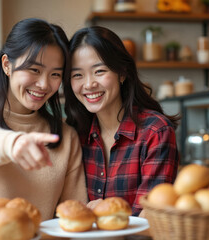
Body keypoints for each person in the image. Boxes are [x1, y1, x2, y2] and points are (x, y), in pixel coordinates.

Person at [0, 18, 87, 220]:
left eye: (55, 74)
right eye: (34, 70)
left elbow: (73, 215)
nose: (43, 84)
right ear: (7, 65)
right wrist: (14, 143)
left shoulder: (65, 137)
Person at [63, 26, 180, 217]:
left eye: (99, 71)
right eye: (77, 75)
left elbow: (151, 214)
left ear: (122, 73)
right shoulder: (74, 134)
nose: (89, 84)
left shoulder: (156, 131)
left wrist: (99, 216)